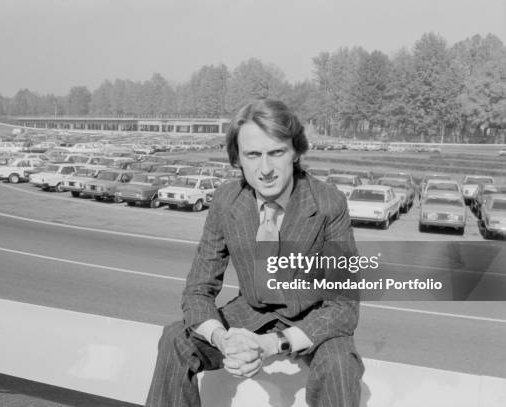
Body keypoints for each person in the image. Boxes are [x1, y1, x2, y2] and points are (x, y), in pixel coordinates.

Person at [146, 99, 364, 407]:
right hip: (251, 312)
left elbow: (344, 308)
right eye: (253, 154)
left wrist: (273, 344)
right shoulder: (225, 201)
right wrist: (224, 339)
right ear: (238, 159)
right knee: (174, 338)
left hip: (315, 315)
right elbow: (197, 291)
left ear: (296, 152)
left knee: (341, 365)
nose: (265, 170)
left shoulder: (329, 204)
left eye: (276, 152)